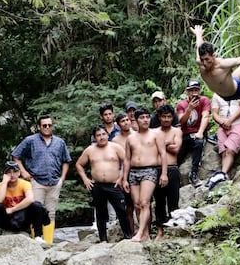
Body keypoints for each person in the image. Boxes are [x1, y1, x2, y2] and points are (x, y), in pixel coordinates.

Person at [11, 115, 72, 243]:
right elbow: (16, 155)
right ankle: (36, 242)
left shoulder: (60, 142)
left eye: (49, 125)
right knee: (36, 211)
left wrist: (62, 178)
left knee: (51, 213)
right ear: (39, 127)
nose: (47, 128)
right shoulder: (30, 141)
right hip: (36, 181)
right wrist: (23, 171)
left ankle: (48, 243)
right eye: (44, 125)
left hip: (54, 182)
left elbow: (66, 160)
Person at [76, 125, 133, 242]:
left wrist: (122, 178)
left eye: (103, 134)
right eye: (98, 135)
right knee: (101, 213)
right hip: (97, 185)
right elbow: (79, 164)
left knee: (121, 210)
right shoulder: (90, 150)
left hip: (114, 184)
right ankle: (103, 239)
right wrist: (85, 179)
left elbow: (127, 161)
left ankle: (128, 236)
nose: (101, 137)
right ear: (94, 137)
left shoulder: (116, 147)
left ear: (107, 135)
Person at [123, 108, 168, 242]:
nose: (145, 120)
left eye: (147, 117)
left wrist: (164, 173)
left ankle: (140, 232)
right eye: (142, 117)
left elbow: (163, 154)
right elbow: (126, 159)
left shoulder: (155, 134)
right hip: (134, 172)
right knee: (137, 204)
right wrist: (124, 178)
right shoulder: (130, 138)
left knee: (145, 202)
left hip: (150, 170)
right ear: (136, 120)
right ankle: (146, 234)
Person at [0, 161, 48, 241]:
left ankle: (38, 236)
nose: (12, 175)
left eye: (15, 171)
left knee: (36, 205)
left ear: (19, 173)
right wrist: (4, 183)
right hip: (7, 219)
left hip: (22, 218)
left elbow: (30, 199)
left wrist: (13, 209)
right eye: (9, 172)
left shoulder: (24, 184)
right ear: (4, 174)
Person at [153, 104, 183, 239]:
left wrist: (161, 144)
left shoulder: (177, 131)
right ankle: (160, 230)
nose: (166, 119)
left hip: (172, 168)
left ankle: (172, 230)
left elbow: (176, 149)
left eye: (169, 117)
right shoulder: (154, 132)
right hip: (157, 169)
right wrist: (167, 142)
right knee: (159, 201)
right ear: (159, 117)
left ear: (173, 117)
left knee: (173, 200)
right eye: (164, 116)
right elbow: (152, 150)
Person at [176, 79, 211, 186]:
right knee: (177, 156)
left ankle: (193, 173)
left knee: (199, 143)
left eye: (196, 90)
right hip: (185, 135)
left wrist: (200, 132)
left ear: (199, 90)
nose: (194, 92)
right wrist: (189, 109)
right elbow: (181, 122)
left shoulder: (204, 100)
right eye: (191, 90)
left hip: (198, 134)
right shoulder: (181, 104)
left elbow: (205, 116)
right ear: (187, 91)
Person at [207, 93, 240, 189]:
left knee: (229, 150)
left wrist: (230, 120)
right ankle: (226, 180)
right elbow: (214, 113)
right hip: (222, 126)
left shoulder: (238, 89)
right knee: (224, 153)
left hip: (238, 124)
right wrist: (221, 122)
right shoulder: (216, 94)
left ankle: (221, 174)